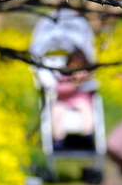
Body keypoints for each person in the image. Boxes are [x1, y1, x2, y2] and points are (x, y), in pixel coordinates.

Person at [29, 9, 96, 150]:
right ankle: (59, 138)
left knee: (86, 110)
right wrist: (73, 84)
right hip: (63, 101)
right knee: (55, 111)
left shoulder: (87, 76)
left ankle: (87, 136)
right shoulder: (64, 75)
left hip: (81, 100)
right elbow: (58, 88)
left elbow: (91, 88)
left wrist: (83, 81)